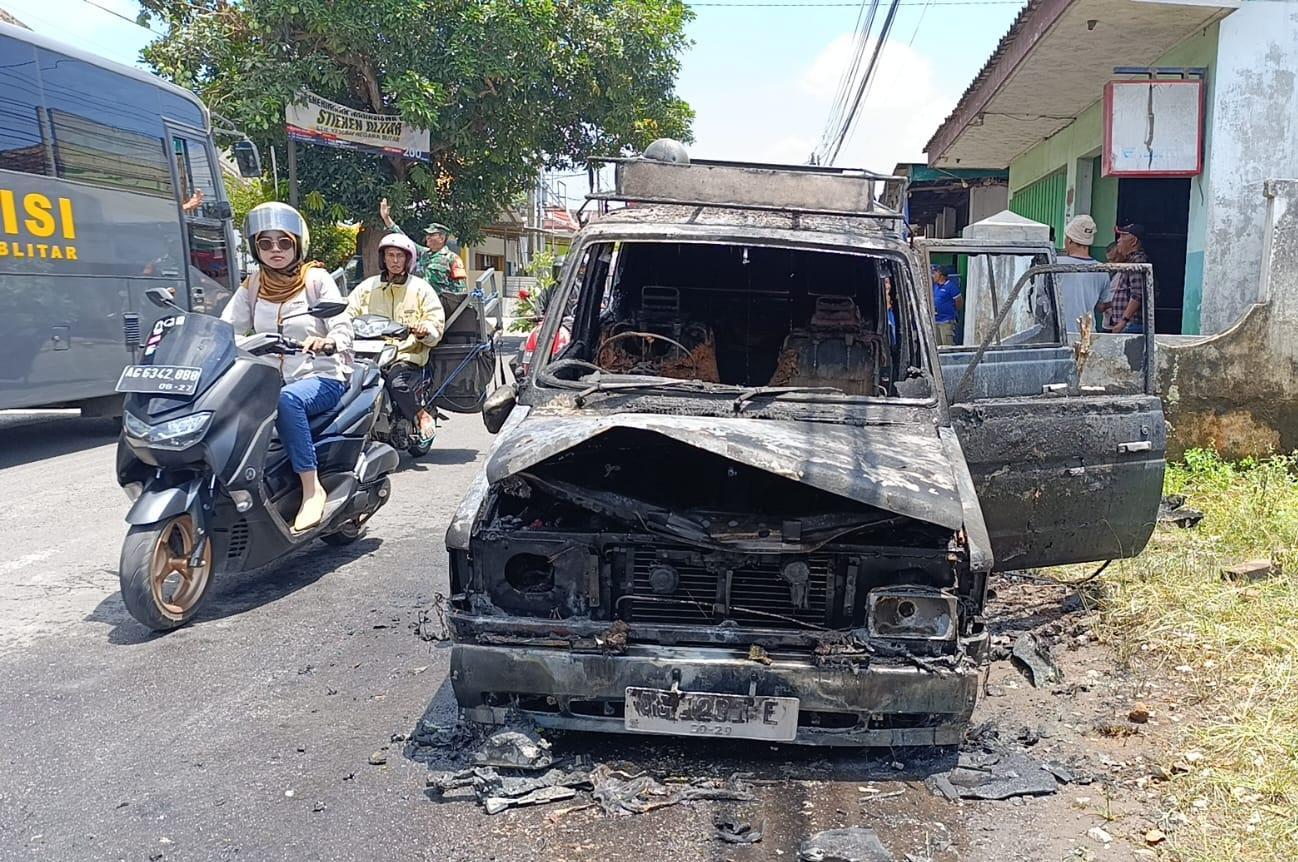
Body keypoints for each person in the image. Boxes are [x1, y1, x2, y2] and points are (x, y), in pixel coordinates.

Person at [221, 202, 353, 532]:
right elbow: (226, 328)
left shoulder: (315, 279)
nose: (275, 250)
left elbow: (342, 326)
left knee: (288, 401)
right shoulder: (252, 285)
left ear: (297, 244)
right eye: (266, 243)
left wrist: (328, 341)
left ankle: (311, 488)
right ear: (256, 248)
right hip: (265, 379)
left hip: (320, 376)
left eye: (283, 242)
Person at [345, 232, 446, 443]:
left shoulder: (420, 288)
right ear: (383, 258)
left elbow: (435, 321)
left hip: (406, 355)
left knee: (397, 382)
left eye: (400, 256)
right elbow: (346, 314)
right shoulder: (367, 287)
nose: (395, 260)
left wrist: (424, 330)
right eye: (390, 255)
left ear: (408, 259)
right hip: (367, 355)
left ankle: (421, 415)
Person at [378, 198, 468, 292]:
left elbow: (461, 289)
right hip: (419, 298)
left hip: (439, 300)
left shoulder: (452, 258)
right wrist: (387, 220)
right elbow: (405, 240)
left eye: (432, 235)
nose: (427, 237)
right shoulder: (424, 253)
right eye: (427, 235)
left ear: (442, 238)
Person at [1056, 215, 1112, 335]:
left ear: (1069, 240)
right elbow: (1101, 306)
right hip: (1087, 335)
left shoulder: (1055, 265)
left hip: (1058, 335)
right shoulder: (1102, 270)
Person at [1106, 224, 1150, 334]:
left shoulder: (1137, 261)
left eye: (1122, 236)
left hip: (1131, 325)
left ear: (1133, 241)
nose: (1118, 240)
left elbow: (1137, 294)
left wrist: (1123, 321)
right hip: (1128, 325)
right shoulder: (1130, 260)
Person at [931, 265, 961, 346]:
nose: (933, 275)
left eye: (935, 273)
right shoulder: (935, 287)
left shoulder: (951, 287)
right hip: (936, 321)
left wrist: (951, 311)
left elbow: (959, 302)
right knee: (937, 346)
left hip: (946, 322)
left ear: (941, 275)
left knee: (947, 345)